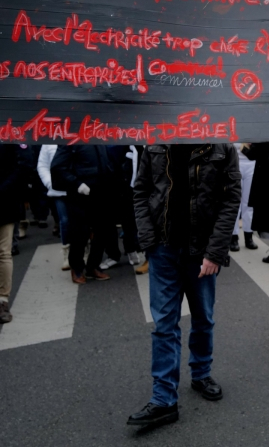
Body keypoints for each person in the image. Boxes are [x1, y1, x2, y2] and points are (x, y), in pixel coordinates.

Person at [128, 143, 241, 427]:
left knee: (203, 318)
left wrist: (215, 252)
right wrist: (149, 241)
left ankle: (201, 373)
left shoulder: (221, 146)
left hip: (201, 250)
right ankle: (164, 398)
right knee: (164, 324)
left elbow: (230, 199)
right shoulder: (154, 144)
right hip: (163, 249)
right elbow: (141, 190)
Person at [51, 145, 118, 283]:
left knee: (102, 230)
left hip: (102, 192)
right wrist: (76, 183)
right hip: (79, 195)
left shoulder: (99, 136)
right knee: (80, 233)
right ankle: (76, 268)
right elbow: (57, 167)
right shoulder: (71, 140)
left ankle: (93, 266)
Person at [0, 145, 27, 323]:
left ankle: (2, 300)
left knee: (3, 252)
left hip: (4, 202)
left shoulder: (9, 136)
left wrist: (3, 189)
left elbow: (21, 166)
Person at [37, 145, 70, 270]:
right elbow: (42, 165)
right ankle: (66, 254)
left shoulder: (79, 133)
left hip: (79, 188)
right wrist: (50, 183)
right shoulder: (49, 141)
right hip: (59, 190)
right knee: (65, 221)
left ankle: (84, 251)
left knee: (82, 221)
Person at [230, 143, 258, 251]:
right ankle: (234, 237)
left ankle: (248, 236)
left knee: (249, 203)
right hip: (235, 162)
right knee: (235, 203)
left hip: (251, 163)